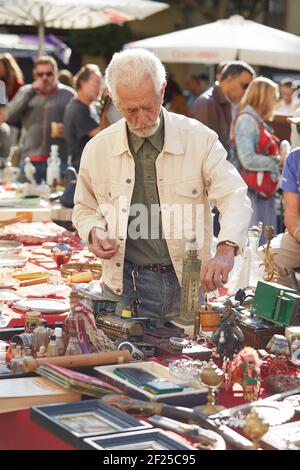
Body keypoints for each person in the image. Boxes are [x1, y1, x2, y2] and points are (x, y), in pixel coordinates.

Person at [72, 49, 252, 328]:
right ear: (114, 100)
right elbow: (84, 207)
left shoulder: (200, 140)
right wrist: (94, 231)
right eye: (131, 110)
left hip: (188, 282)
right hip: (123, 284)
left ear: (163, 90)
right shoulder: (97, 149)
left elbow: (235, 196)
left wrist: (227, 249)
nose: (142, 119)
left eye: (150, 106)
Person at [5, 56, 75, 183]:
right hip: (29, 160)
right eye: (40, 74)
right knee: (26, 200)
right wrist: (31, 91)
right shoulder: (25, 92)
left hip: (58, 160)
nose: (44, 78)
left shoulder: (68, 94)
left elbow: (78, 125)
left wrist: (68, 129)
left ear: (56, 73)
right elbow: (9, 116)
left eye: (49, 74)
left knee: (56, 200)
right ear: (34, 75)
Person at [232, 77, 282, 244]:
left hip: (258, 191)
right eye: (274, 97)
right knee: (255, 245)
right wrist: (277, 161)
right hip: (252, 193)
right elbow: (247, 159)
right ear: (263, 97)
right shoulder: (247, 120)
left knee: (261, 244)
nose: (276, 101)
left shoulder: (252, 119)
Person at [192, 61, 255, 152]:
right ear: (229, 79)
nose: (247, 92)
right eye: (245, 86)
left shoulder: (231, 102)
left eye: (250, 88)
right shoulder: (207, 103)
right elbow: (206, 150)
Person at [265, 118, 300, 273]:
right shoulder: (294, 159)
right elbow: (291, 215)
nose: (299, 136)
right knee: (266, 257)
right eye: (299, 129)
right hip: (297, 237)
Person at [64, 64, 108, 172]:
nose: (100, 88)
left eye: (100, 83)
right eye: (96, 84)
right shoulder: (77, 109)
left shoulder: (89, 107)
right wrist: (108, 103)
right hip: (82, 170)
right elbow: (104, 136)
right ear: (83, 83)